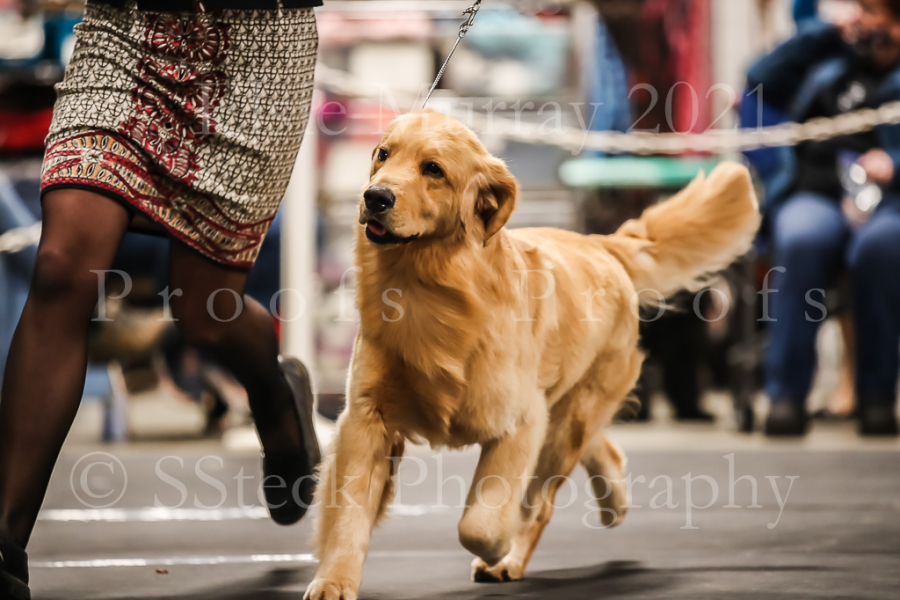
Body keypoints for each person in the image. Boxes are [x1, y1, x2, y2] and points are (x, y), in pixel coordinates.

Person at [0, 1, 322, 597]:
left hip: (256, 57)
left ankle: (276, 396)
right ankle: (4, 545)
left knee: (204, 316)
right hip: (126, 32)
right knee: (60, 269)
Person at [748, 0, 900, 437]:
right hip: (819, 192)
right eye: (864, 12)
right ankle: (786, 397)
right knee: (801, 239)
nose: (869, 23)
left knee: (881, 248)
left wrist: (895, 162)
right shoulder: (830, 62)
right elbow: (760, 79)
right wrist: (825, 32)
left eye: (879, 14)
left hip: (890, 201)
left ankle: (876, 397)